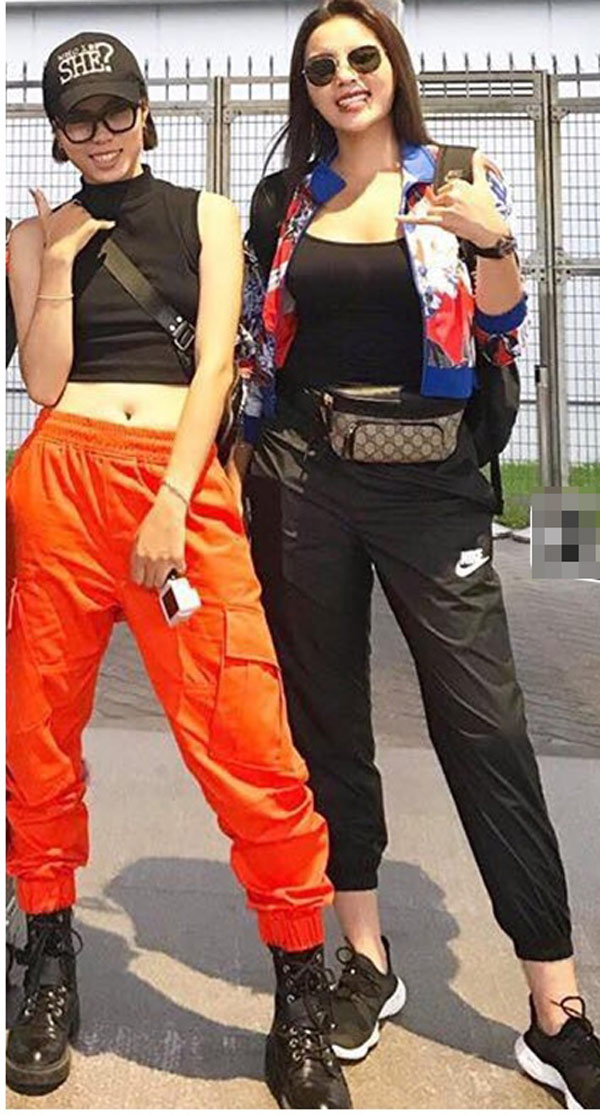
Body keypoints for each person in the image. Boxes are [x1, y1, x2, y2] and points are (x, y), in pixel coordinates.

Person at [240, 1, 600, 1108]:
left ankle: (556, 1006)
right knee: (329, 720)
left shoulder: (457, 177)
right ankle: (367, 956)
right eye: (321, 67)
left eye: (362, 56)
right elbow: (263, 342)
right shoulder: (287, 199)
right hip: (305, 477)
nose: (344, 76)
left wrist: (493, 241)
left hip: (432, 483)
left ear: (392, 67)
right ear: (306, 88)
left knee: (485, 727)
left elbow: (502, 327)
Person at [6, 31, 352, 1109]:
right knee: (36, 734)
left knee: (246, 734)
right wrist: (52, 269)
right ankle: (47, 957)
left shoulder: (206, 215)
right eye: (79, 120)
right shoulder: (32, 235)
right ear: (56, 133)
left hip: (177, 488)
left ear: (146, 113)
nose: (101, 134)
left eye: (117, 112)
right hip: (61, 484)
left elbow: (215, 366)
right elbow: (45, 383)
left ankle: (300, 982)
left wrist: (168, 498)